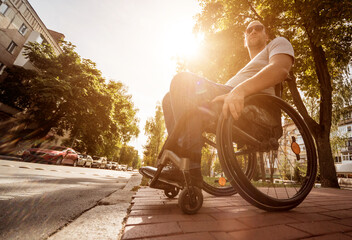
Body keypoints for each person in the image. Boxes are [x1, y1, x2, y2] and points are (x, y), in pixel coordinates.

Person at [140, 20, 294, 188]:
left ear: (267, 35)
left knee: (182, 81)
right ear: (244, 39)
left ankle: (190, 166)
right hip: (226, 104)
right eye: (248, 29)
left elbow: (280, 69)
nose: (253, 31)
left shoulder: (278, 43)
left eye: (258, 28)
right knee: (169, 99)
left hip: (254, 110)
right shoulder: (246, 68)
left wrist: (239, 91)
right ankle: (176, 164)